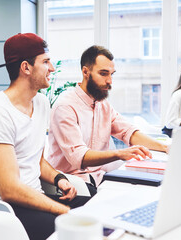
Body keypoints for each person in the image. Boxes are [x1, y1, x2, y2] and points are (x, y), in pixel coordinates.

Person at [0, 33, 90, 240]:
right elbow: (10, 190)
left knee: (94, 205)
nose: (52, 68)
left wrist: (59, 179)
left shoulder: (41, 103)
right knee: (75, 230)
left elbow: (36, 159)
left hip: (32, 199)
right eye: (46, 62)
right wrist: (64, 211)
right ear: (26, 67)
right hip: (3, 210)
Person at [47, 45, 168, 195]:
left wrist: (166, 148)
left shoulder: (103, 105)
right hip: (73, 184)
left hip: (99, 179)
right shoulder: (65, 107)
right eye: (103, 74)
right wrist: (119, 154)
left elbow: (128, 132)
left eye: (111, 74)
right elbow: (79, 157)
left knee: (146, 189)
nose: (110, 81)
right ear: (85, 72)